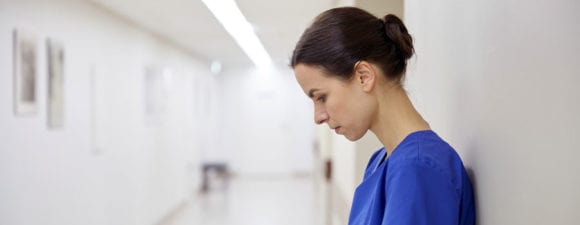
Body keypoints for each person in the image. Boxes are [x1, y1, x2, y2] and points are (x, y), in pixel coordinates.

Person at [290, 7, 475, 225]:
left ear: (363, 76)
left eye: (321, 97)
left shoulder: (418, 168)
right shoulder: (381, 160)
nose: (318, 117)